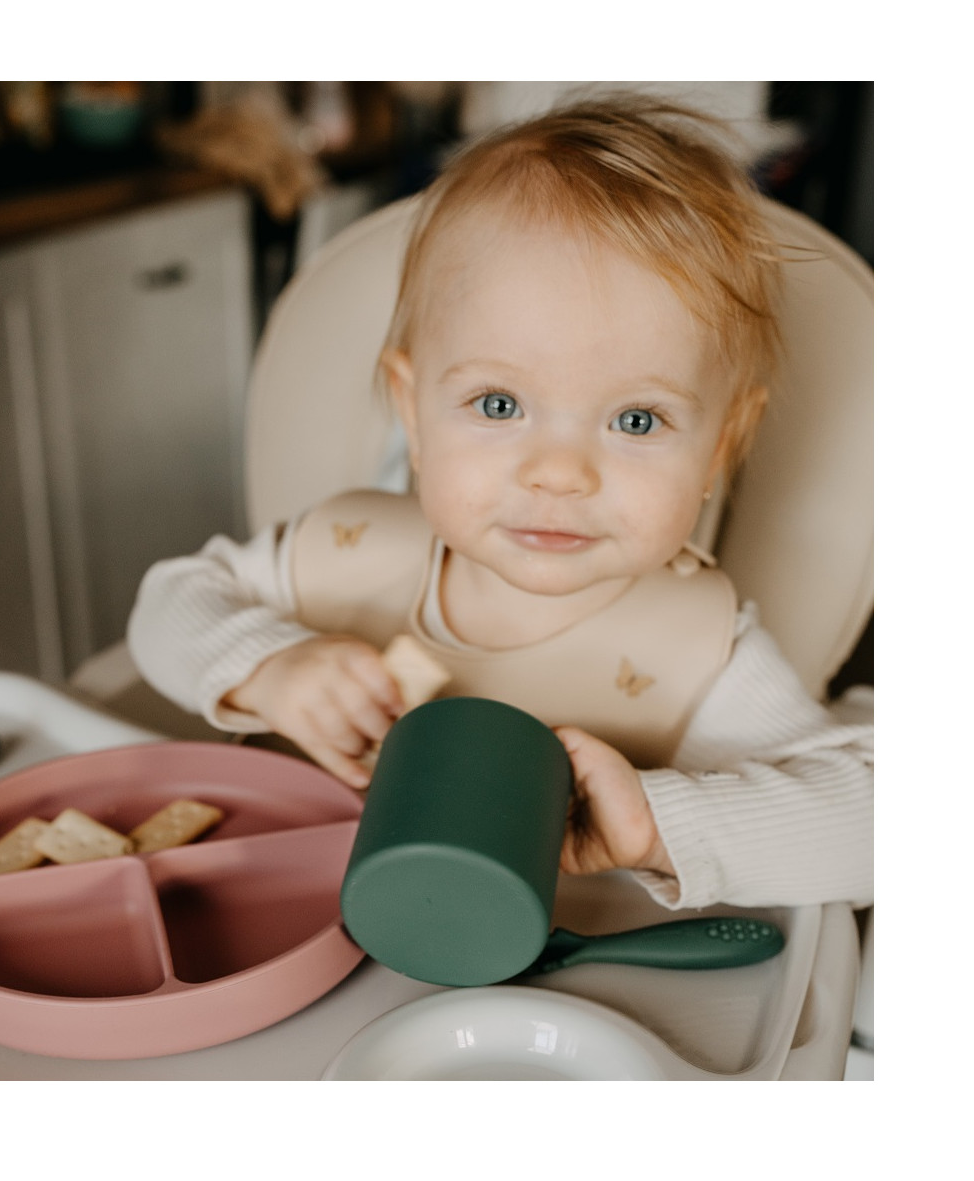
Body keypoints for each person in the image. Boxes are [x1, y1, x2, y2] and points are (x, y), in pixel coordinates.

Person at [127, 94, 872, 912]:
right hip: (276, 925)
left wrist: (659, 827)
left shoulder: (700, 655)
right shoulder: (347, 554)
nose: (559, 474)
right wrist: (266, 666)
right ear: (413, 413)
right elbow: (169, 603)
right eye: (498, 405)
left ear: (720, 447)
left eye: (635, 420)